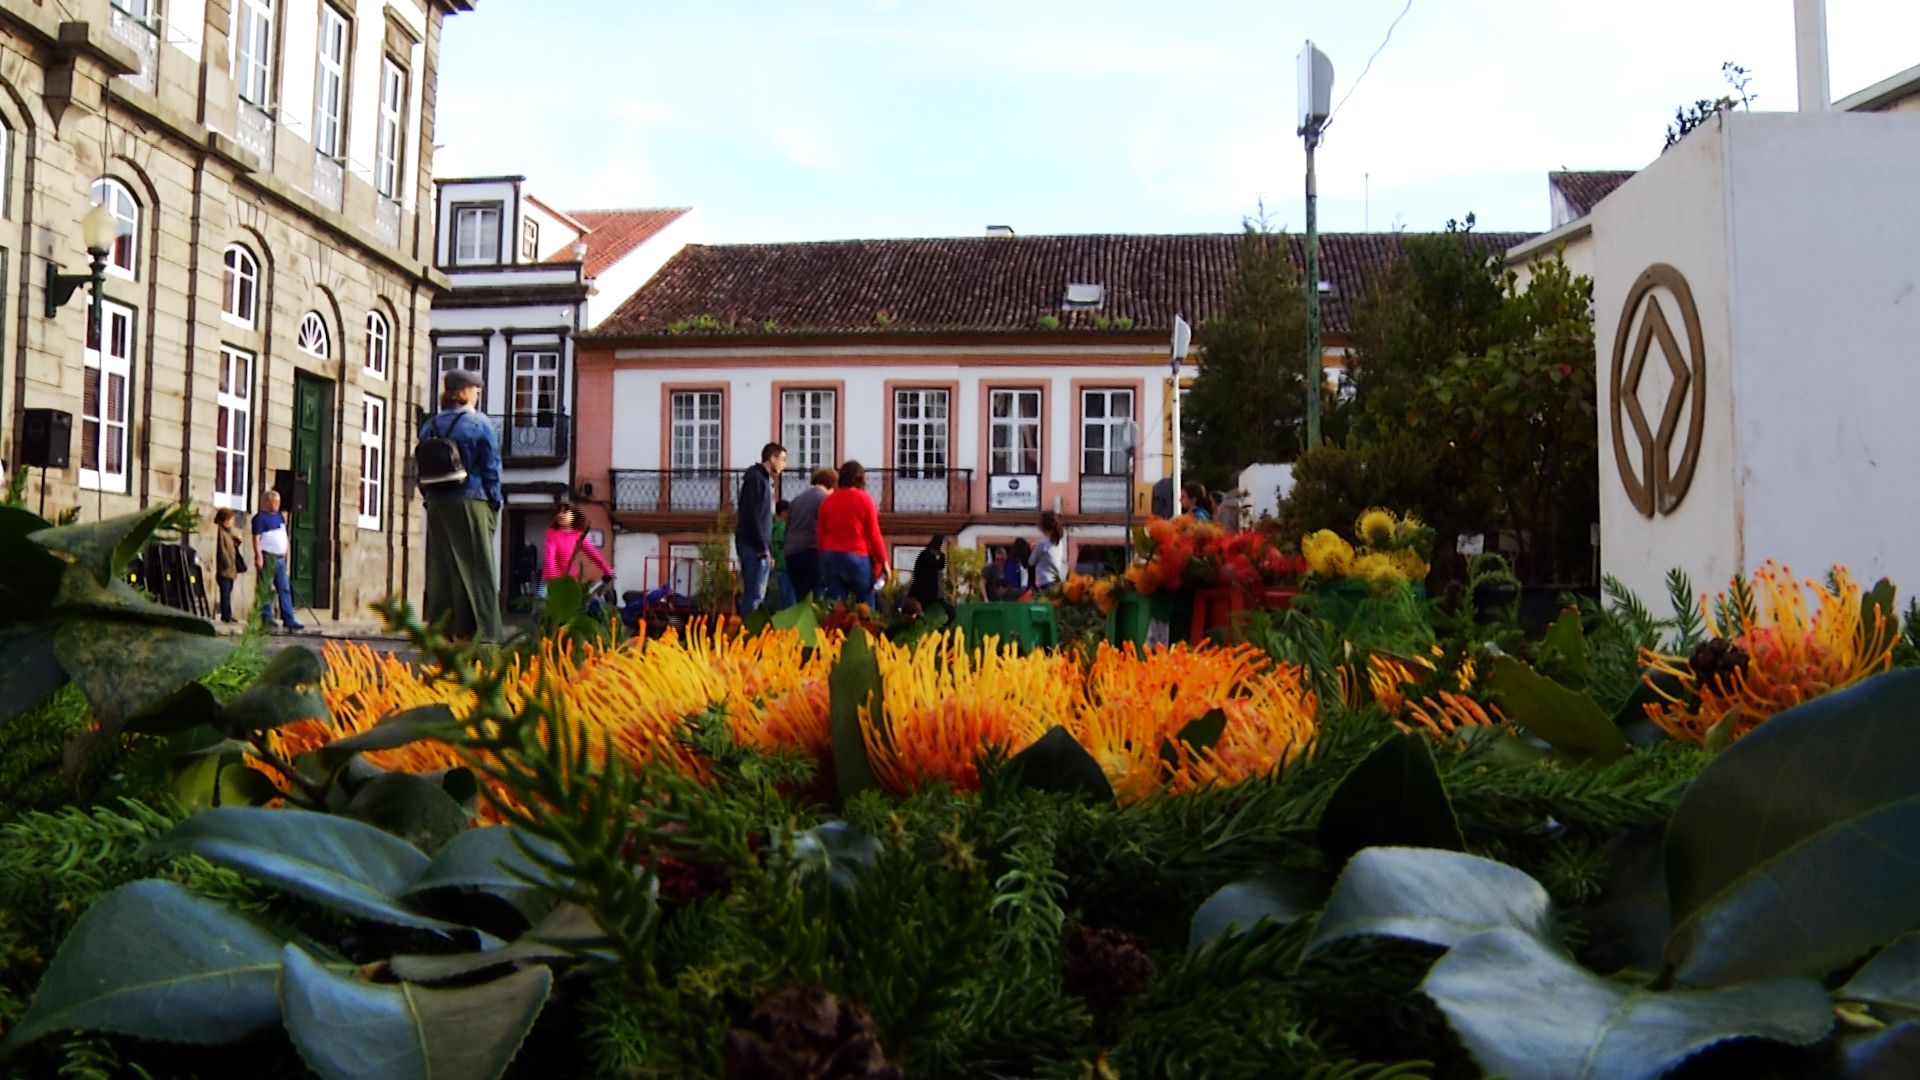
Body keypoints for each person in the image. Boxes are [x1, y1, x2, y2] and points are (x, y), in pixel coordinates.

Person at [419, 368, 503, 642]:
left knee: (442, 570)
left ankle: (441, 634)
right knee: (477, 570)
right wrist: (494, 502)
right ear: (466, 392)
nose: (478, 396)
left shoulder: (430, 425)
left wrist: (428, 497)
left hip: (436, 502)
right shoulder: (479, 424)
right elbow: (491, 466)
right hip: (471, 499)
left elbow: (420, 465)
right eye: (476, 391)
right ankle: (482, 635)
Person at [815, 459, 888, 607]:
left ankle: (834, 629)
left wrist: (823, 555)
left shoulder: (828, 501)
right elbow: (874, 534)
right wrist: (883, 561)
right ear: (861, 479)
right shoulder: (865, 500)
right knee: (865, 604)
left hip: (831, 555)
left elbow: (820, 534)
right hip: (856, 556)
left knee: (835, 607)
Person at [735, 442, 787, 615]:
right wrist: (760, 548)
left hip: (759, 546)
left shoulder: (764, 480)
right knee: (755, 595)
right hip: (753, 546)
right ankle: (749, 633)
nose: (784, 465)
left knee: (758, 594)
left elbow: (765, 520)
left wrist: (768, 549)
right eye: (782, 459)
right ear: (772, 458)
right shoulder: (756, 478)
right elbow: (750, 514)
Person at [250, 489, 302, 631]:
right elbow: (256, 538)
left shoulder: (280, 517)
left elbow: (283, 534)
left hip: (280, 558)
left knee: (284, 589)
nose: (277, 504)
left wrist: (286, 550)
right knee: (266, 589)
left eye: (279, 502)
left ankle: (288, 619)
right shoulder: (259, 518)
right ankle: (266, 619)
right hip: (268, 556)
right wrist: (258, 556)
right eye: (275, 501)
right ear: (267, 501)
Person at [783, 467, 834, 604]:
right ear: (831, 484)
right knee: (816, 597)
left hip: (791, 553)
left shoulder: (796, 500)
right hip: (811, 551)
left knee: (801, 598)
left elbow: (788, 527)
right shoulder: (824, 499)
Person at [542, 503, 613, 596]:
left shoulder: (577, 535)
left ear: (573, 515)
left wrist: (608, 570)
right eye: (559, 512)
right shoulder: (552, 533)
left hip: (571, 580)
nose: (560, 515)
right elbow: (550, 556)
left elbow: (593, 554)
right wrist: (554, 579)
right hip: (553, 580)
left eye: (565, 512)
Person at [212, 508, 248, 623]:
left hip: (230, 569)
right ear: (225, 520)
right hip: (225, 569)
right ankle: (226, 615)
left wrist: (237, 541)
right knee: (225, 592)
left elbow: (233, 546)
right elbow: (222, 550)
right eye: (230, 519)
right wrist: (228, 563)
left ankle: (227, 614)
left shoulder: (228, 532)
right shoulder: (220, 532)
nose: (232, 522)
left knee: (228, 591)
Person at [1030, 510, 1066, 590]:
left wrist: (1033, 549)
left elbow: (1031, 561)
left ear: (1042, 526)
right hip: (1056, 581)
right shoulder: (1059, 543)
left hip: (1044, 581)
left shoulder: (1042, 544)